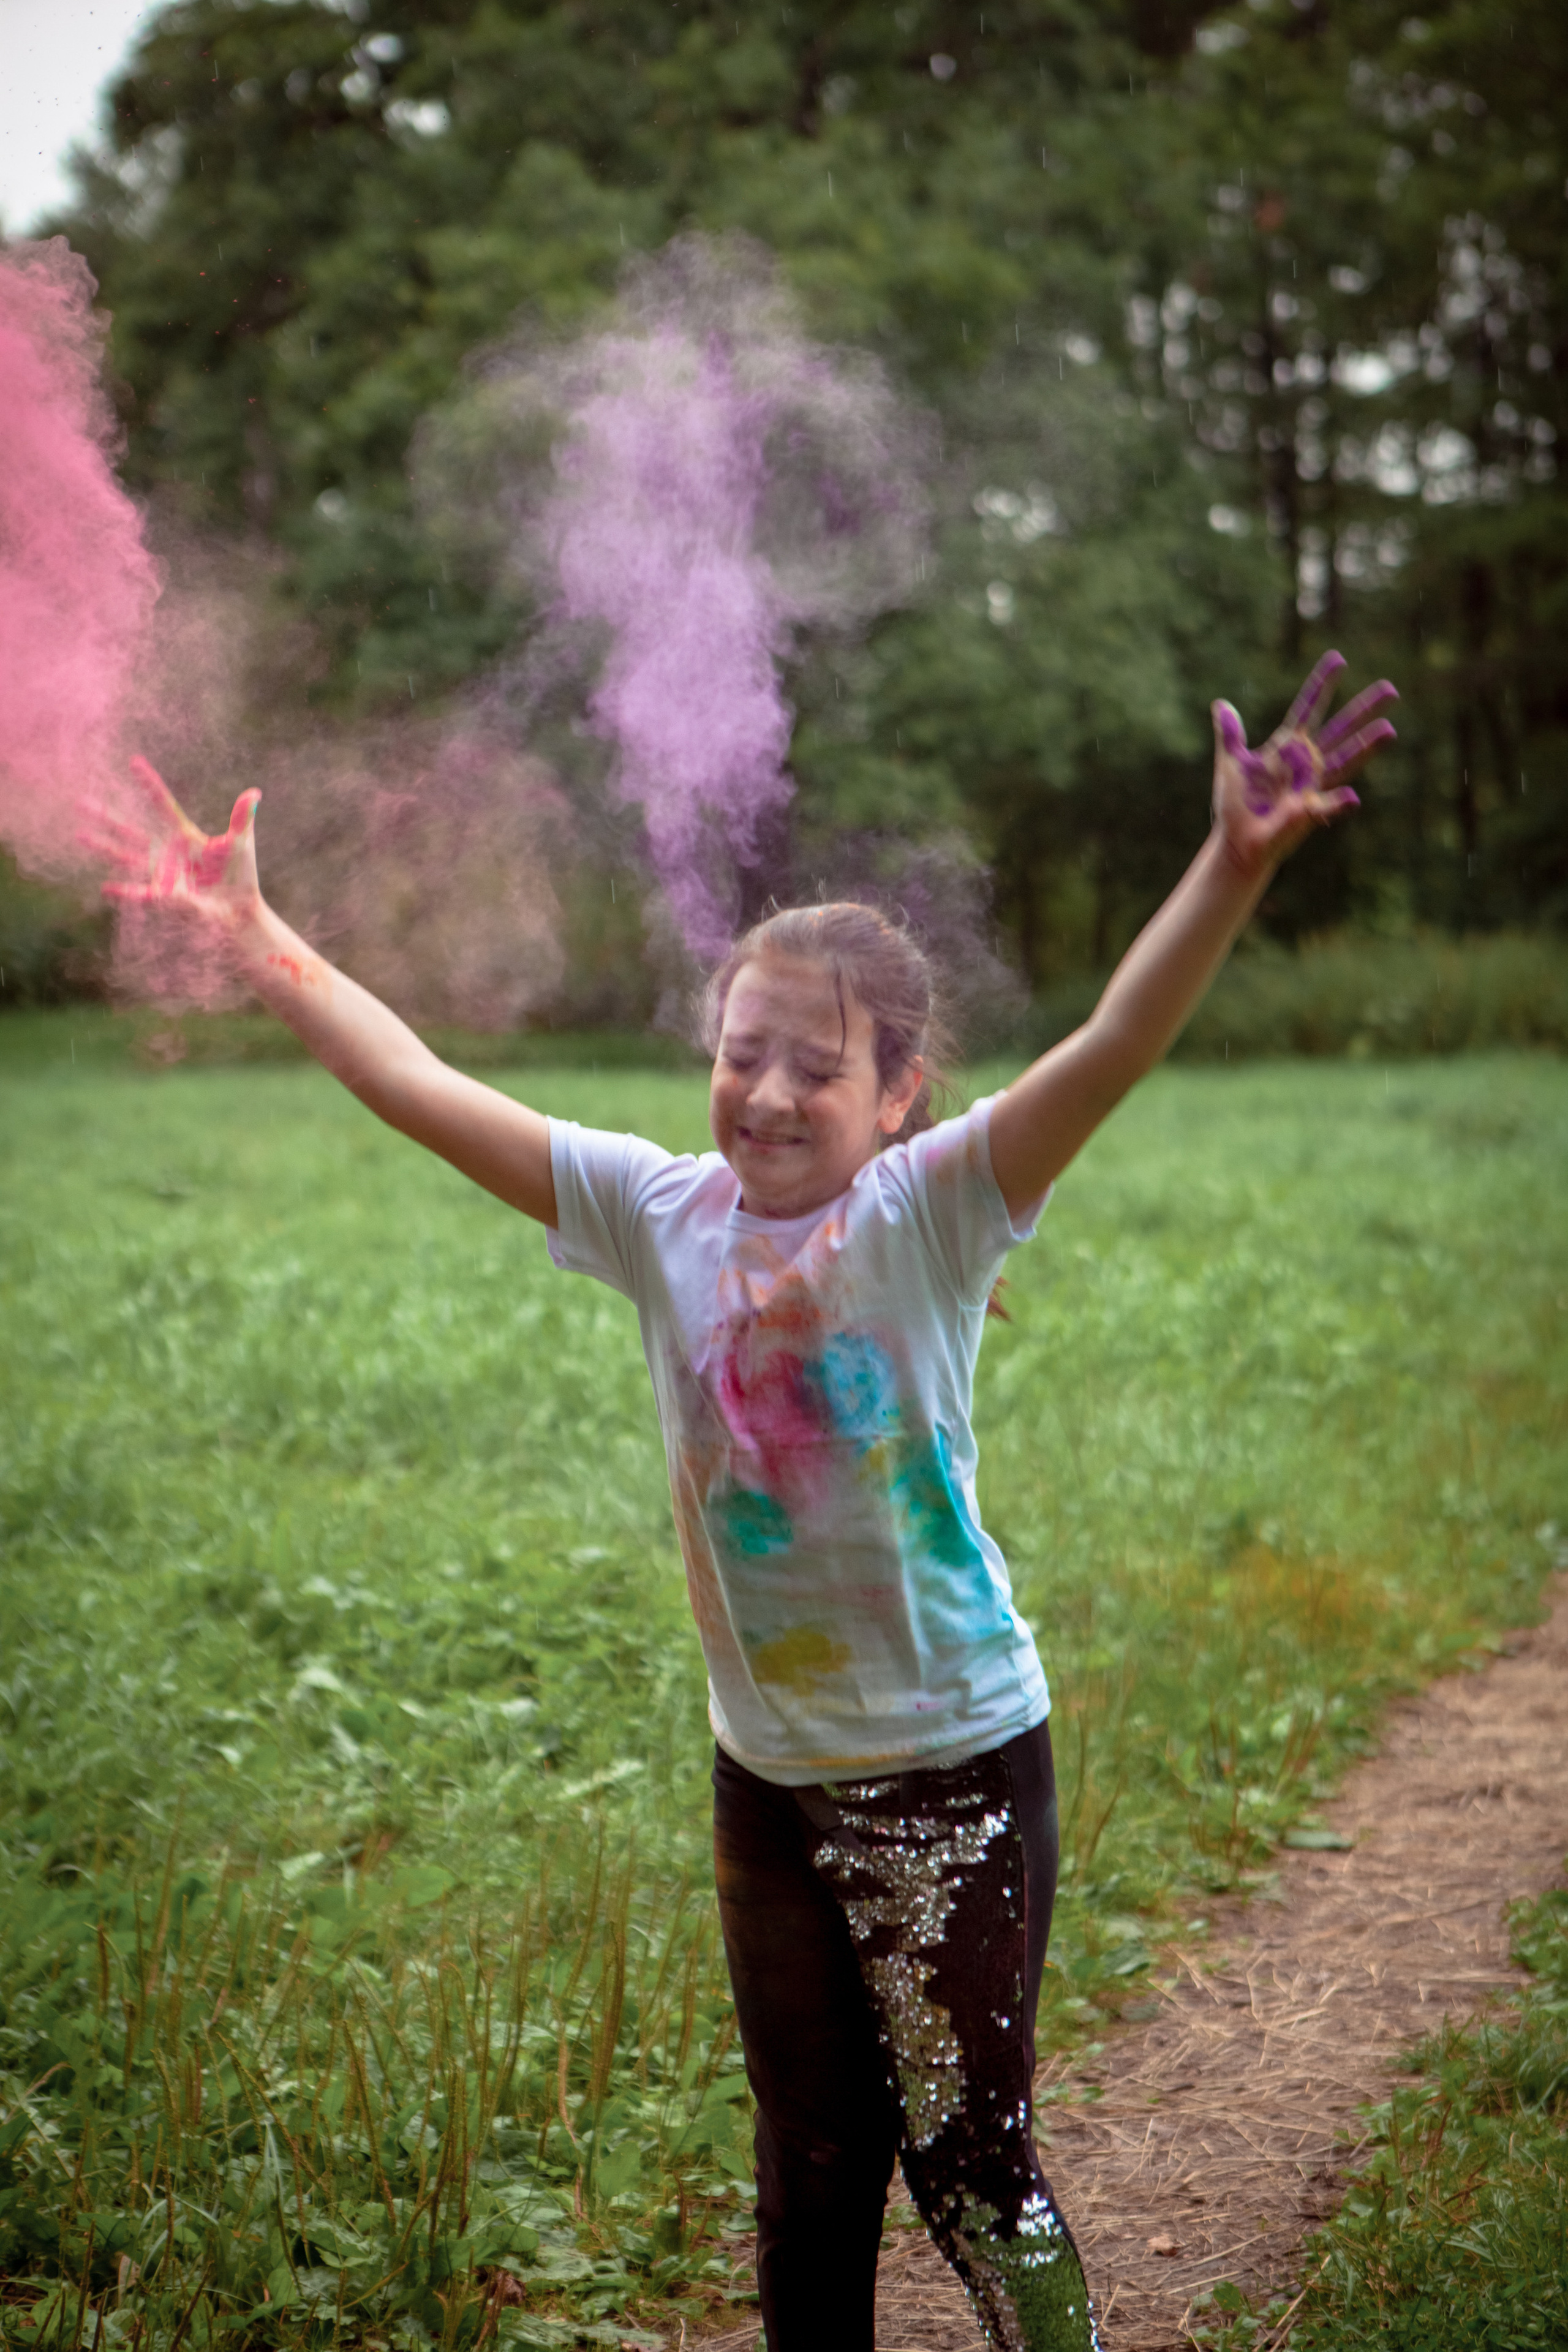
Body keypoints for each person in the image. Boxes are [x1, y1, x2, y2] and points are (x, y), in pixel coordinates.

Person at [89, 651, 1395, 2351]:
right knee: (809, 2168)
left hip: (953, 1765)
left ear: (899, 1093)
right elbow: (417, 1084)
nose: (769, 1095)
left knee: (971, 2170)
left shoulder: (934, 1214)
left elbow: (1117, 1042)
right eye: (742, 1054)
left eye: (817, 1068)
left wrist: (1232, 863)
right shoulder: (657, 1213)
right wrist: (256, 939)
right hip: (767, 1777)